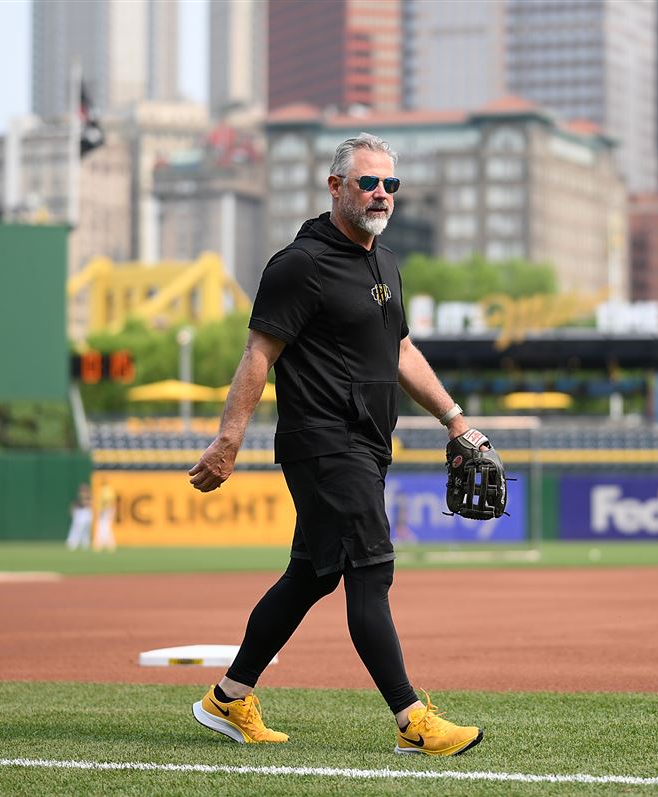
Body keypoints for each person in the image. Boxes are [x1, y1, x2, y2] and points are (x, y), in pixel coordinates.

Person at [187, 132, 483, 757]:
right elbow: (258, 353)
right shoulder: (300, 264)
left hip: (369, 444)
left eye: (389, 185)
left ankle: (228, 697)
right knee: (370, 571)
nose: (381, 194)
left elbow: (401, 352)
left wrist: (455, 419)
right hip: (323, 441)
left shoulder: (386, 263)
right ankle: (412, 722)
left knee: (310, 576)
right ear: (335, 187)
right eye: (368, 182)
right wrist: (227, 439)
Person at [65, 483, 92, 551]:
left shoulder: (89, 497)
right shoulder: (78, 497)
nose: (84, 492)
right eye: (83, 490)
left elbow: (89, 504)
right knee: (77, 529)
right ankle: (72, 543)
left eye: (85, 490)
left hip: (86, 513)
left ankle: (85, 544)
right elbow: (73, 505)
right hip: (79, 513)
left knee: (86, 530)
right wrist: (72, 512)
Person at [93, 482, 117, 552]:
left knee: (104, 527)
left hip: (105, 511)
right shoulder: (108, 490)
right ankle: (106, 544)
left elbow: (109, 502)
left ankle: (105, 544)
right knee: (104, 527)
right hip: (106, 511)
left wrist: (104, 511)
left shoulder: (105, 491)